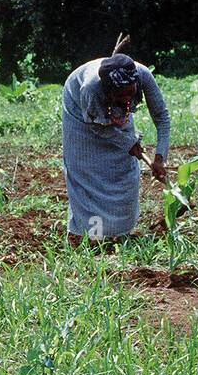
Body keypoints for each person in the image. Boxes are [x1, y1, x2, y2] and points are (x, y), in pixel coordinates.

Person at [61, 48, 171, 245]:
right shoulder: (90, 89)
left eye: (130, 93)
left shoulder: (142, 75)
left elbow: (162, 117)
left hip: (114, 112)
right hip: (79, 112)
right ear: (108, 90)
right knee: (86, 170)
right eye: (120, 94)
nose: (126, 98)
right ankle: (88, 236)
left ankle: (119, 233)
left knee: (124, 168)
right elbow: (97, 127)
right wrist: (129, 142)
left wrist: (159, 158)